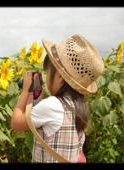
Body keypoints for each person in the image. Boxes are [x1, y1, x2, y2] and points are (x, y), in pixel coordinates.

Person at [11, 34, 104, 163]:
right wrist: (37, 102)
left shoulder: (52, 105)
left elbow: (16, 123)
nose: (47, 77)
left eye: (48, 72)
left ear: (60, 77)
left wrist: (26, 92)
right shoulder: (79, 105)